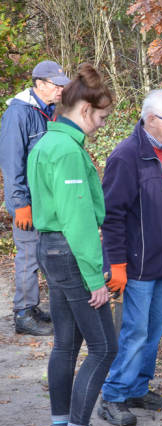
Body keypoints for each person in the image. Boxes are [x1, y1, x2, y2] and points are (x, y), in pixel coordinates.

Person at [27, 63, 119, 426]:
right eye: (100, 117)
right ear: (84, 110)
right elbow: (78, 220)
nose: (100, 124)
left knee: (67, 343)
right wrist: (95, 277)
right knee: (104, 347)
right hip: (68, 253)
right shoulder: (65, 150)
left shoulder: (46, 142)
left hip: (52, 250)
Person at [97, 89, 162, 426]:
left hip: (160, 261)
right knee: (134, 332)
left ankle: (137, 387)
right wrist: (116, 264)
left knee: (154, 329)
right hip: (134, 265)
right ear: (151, 120)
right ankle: (114, 394)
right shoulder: (126, 156)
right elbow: (112, 215)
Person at [0, 60, 71, 336]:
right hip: (28, 204)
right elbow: (11, 164)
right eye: (56, 85)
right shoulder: (18, 114)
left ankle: (33, 307)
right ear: (39, 84)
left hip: (48, 202)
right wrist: (20, 205)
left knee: (45, 254)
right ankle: (23, 314)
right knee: (29, 256)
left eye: (62, 85)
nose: (61, 90)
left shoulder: (49, 111)